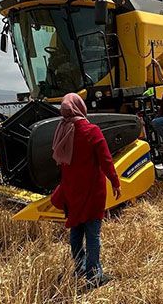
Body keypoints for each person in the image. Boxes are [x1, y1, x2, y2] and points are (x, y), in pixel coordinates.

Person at [49, 93, 122, 287]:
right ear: (80, 107)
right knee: (92, 233)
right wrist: (115, 182)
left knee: (76, 229)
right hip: (91, 190)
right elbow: (106, 161)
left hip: (71, 189)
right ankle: (93, 275)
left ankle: (80, 267)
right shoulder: (91, 130)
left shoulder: (61, 130)